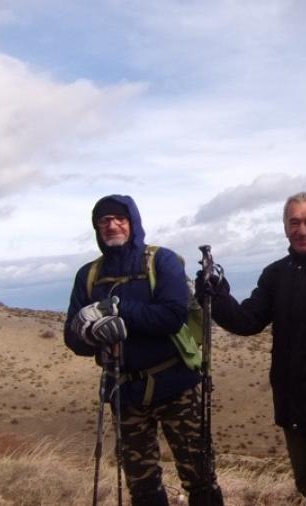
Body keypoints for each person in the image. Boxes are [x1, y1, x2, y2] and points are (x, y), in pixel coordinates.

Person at [196, 192, 306, 506]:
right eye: (294, 223)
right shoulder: (275, 274)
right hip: (294, 406)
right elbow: (248, 321)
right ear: (285, 228)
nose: (302, 230)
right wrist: (217, 296)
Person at [64, 194, 224, 506]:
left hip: (177, 385)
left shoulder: (162, 261)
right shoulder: (88, 275)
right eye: (104, 220)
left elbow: (171, 316)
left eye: (119, 219)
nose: (112, 225)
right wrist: (90, 332)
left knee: (200, 479)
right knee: (143, 487)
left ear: (133, 222)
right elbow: (72, 337)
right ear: (97, 227)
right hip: (124, 391)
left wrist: (117, 309)